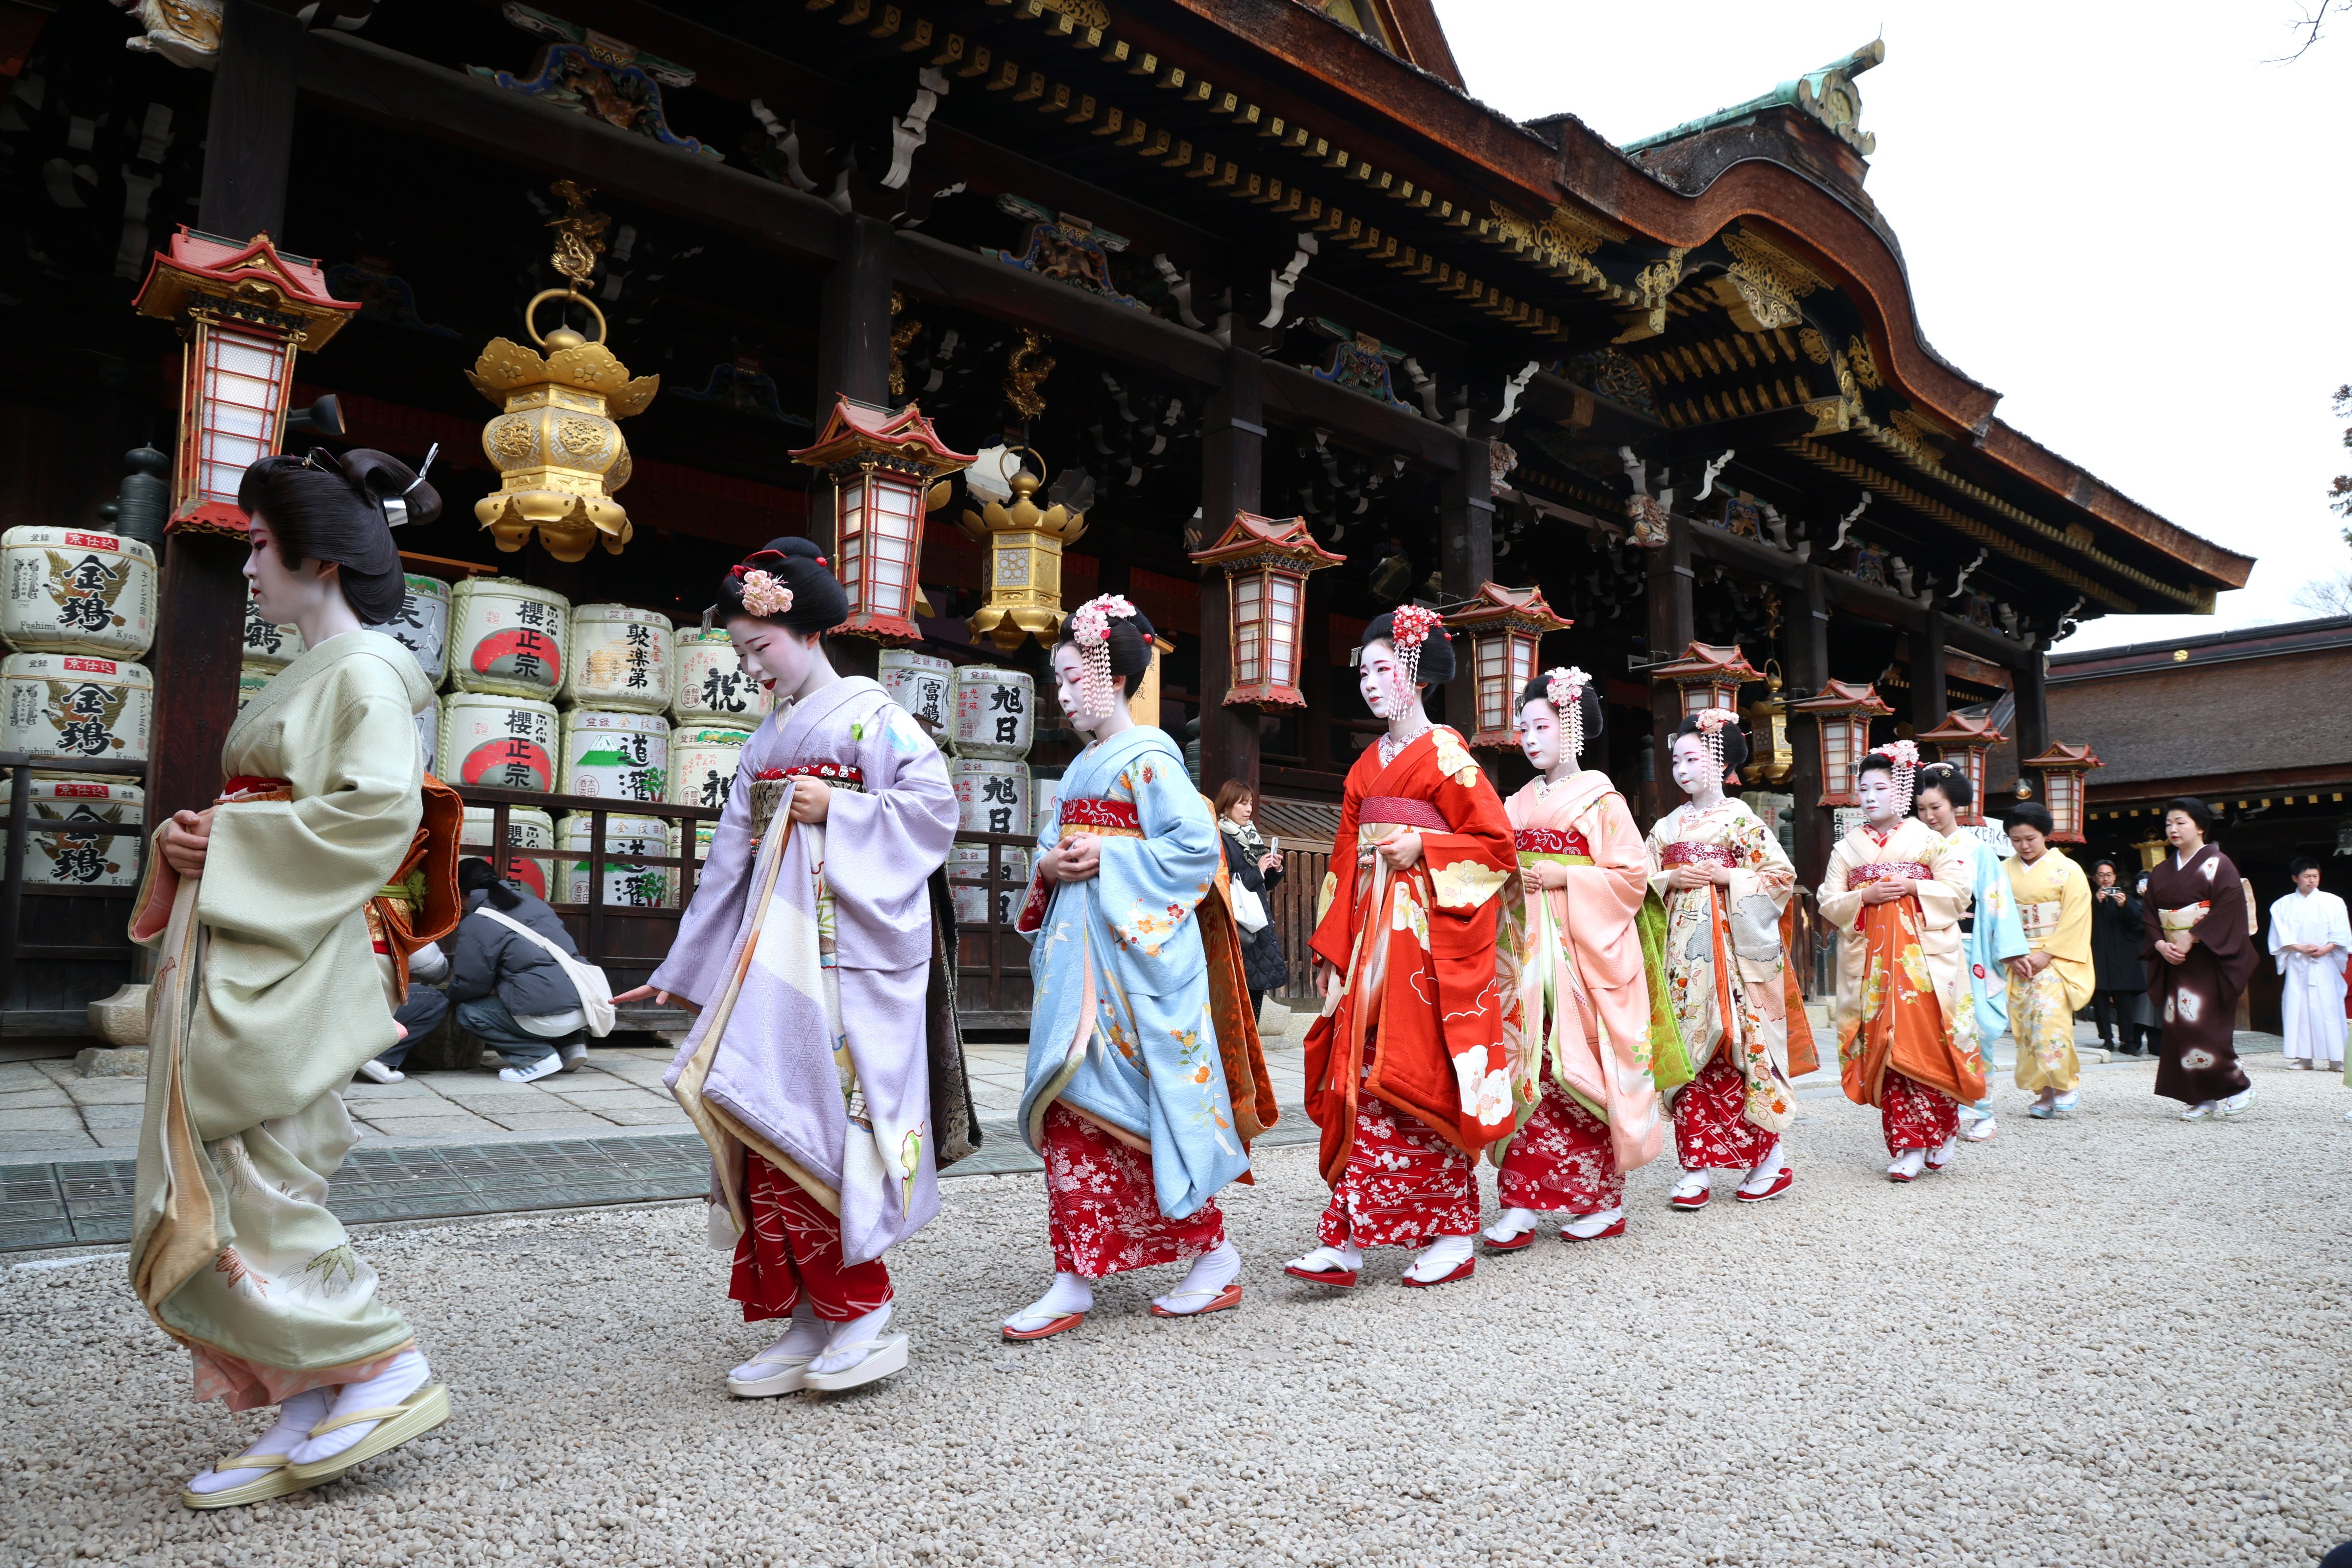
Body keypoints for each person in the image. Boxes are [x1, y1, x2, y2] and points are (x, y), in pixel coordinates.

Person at [133, 446, 461, 1508]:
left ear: (317, 559)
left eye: (261, 548)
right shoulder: (329, 670)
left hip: (301, 948)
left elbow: (372, 816)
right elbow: (289, 805)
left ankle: (379, 1357)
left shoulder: (362, 673)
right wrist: (205, 832)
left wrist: (224, 846)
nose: (246, 569)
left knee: (260, 1164)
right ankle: (311, 1392)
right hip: (263, 938)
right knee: (243, 1167)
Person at [621, 537, 971, 1396]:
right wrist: (687, 969)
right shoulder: (765, 741)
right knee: (763, 1119)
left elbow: (934, 811)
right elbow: (728, 863)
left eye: (760, 649)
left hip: (842, 962)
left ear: (809, 632)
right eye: (740, 654)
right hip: (771, 964)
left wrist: (843, 810)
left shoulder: (874, 717)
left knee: (822, 1121)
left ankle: (862, 1309)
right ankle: (810, 1314)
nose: (752, 669)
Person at [1003, 596, 1276, 1337]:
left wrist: (1113, 855)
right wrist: (1052, 866)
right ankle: (1074, 1272)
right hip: (1080, 957)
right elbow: (1051, 848)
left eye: (1069, 679)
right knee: (1069, 1110)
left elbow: (1196, 854)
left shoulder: (1151, 759)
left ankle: (1212, 1254)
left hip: (1130, 969)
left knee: (1142, 1114)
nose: (1061, 696)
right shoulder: (1084, 768)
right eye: (1056, 681)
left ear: (1108, 674)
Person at [1286, 607, 1520, 1289]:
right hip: (1369, 938)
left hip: (1423, 945)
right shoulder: (1365, 767)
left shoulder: (1450, 757)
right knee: (1359, 1073)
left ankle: (1450, 1231)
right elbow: (1341, 861)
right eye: (1363, 672)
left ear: (1415, 675)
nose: (1369, 682)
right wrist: (1335, 945)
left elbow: (1496, 849)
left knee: (1421, 1072)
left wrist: (1428, 845)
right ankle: (1348, 1235)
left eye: (1384, 668)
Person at [1483, 667, 1666, 1251]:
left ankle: (1601, 1201)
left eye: (1541, 725)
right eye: (1523, 727)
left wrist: (1569, 875)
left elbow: (1632, 876)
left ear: (1573, 727)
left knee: (1575, 1069)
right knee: (1526, 1064)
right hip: (1524, 950)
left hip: (1578, 952)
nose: (1528, 737)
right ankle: (1519, 1201)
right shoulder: (1517, 799)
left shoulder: (1603, 799)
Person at [1818, 744, 1986, 1181]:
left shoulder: (1930, 842)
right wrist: (1864, 897)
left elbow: (1958, 893)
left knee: (1928, 1048)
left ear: (1903, 790)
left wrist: (1914, 885)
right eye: (1863, 789)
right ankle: (1909, 1144)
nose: (1869, 796)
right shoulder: (1846, 848)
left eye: (1880, 787)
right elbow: (1828, 900)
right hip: (1873, 967)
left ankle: (1942, 1129)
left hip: (1924, 969)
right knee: (1889, 1054)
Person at [1913, 763, 2026, 1141]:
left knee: (1973, 1029)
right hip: (1922, 948)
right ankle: (1940, 1110)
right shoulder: (1912, 848)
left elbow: (1997, 902)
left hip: (1966, 947)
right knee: (1930, 1032)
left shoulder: (1976, 850)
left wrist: (2009, 950)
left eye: (1936, 808)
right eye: (1922, 809)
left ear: (1954, 806)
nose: (1929, 817)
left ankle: (1980, 1109)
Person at [2142, 798, 2259, 1120]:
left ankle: (2239, 1086)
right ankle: (2202, 1097)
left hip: (2208, 958)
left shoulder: (2218, 864)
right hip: (2174, 959)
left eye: (2181, 822)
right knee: (2180, 1029)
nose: (2173, 829)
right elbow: (2151, 913)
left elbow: (2229, 908)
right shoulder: (2163, 871)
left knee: (2205, 1028)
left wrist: (2192, 937)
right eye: (2169, 823)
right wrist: (2160, 944)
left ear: (2200, 827)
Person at [446, 859, 593, 1082]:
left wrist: (448, 997)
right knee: (550, 982)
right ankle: (572, 1046)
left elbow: (471, 983)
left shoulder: (477, 922)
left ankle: (535, 1057)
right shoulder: (536, 904)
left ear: (458, 891)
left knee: (469, 1011)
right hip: (583, 1008)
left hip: (546, 1017)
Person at [2001, 802, 2094, 1120]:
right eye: (2016, 840)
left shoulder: (2068, 871)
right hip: (2018, 955)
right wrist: (2011, 953)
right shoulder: (2004, 871)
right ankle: (2043, 1091)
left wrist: (2047, 953)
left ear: (2045, 835)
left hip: (2055, 956)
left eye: (2031, 838)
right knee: (2025, 1025)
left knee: (2048, 1019)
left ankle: (2064, 1085)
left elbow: (2076, 918)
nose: (2024, 846)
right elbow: (1997, 915)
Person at [1214, 780, 1288, 1016]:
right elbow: (1223, 882)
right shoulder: (1219, 838)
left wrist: (1273, 869)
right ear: (1226, 807)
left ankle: (1250, 1049)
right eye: (1243, 803)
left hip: (1255, 923)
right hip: (1236, 925)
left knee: (1255, 988)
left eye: (1251, 804)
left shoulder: (1250, 838)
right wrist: (1257, 870)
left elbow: (1261, 886)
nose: (1249, 810)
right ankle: (1239, 1049)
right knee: (1239, 993)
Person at [2269, 858, 2350, 1071]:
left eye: (2315, 876)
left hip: (2325, 962)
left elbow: (2342, 933)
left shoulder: (2334, 902)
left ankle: (2337, 1059)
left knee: (2330, 1009)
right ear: (2296, 878)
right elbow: (2279, 936)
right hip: (2299, 964)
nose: (2312, 881)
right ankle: (2304, 1058)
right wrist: (2301, 948)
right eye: (2307, 877)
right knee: (2299, 1008)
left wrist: (2327, 948)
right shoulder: (2282, 905)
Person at [356, 941, 451, 1085]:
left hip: (321, 997)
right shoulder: (390, 917)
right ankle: (378, 1056)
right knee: (436, 1001)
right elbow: (432, 966)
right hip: (362, 998)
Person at [2087, 858, 2150, 1057]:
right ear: (2095, 878)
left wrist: (2125, 906)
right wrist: (2097, 902)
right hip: (2099, 955)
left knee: (2125, 1001)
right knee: (2101, 999)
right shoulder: (2089, 900)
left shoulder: (2127, 898)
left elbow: (2141, 921)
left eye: (2109, 875)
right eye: (2101, 875)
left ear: (2115, 878)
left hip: (2123, 956)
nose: (2106, 879)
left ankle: (2128, 1041)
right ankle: (2106, 1040)